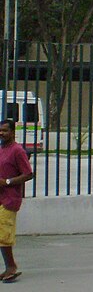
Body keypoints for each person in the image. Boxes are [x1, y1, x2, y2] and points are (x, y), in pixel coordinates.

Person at [0, 119, 35, 283]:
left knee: (3, 234)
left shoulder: (17, 150)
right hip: (1, 198)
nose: (1, 133)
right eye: (0, 130)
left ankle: (11, 267)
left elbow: (28, 174)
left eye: (5, 130)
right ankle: (8, 267)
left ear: (13, 132)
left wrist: (7, 182)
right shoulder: (2, 149)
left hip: (10, 199)